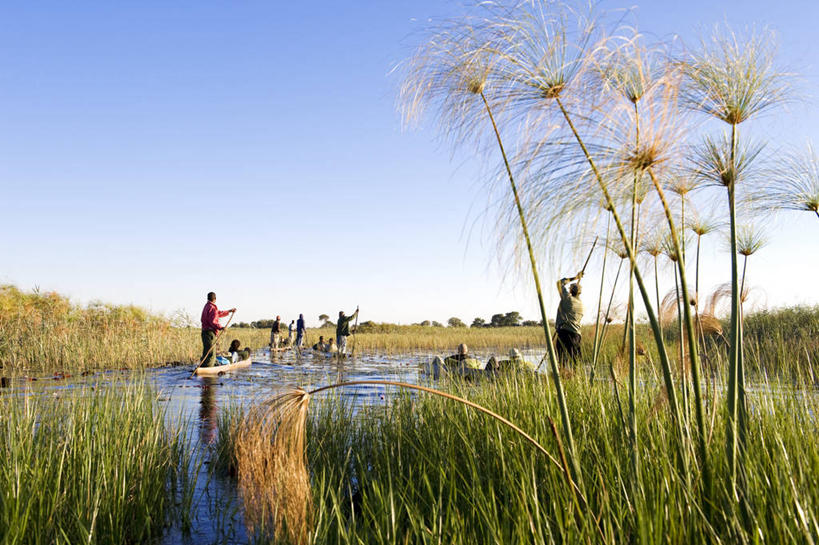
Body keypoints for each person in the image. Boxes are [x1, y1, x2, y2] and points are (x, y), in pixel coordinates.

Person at [555, 271, 584, 367]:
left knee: (562, 363)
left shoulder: (567, 299)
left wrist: (575, 277)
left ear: (570, 291)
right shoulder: (581, 304)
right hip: (577, 335)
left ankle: (562, 378)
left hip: (565, 334)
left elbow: (559, 283)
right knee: (576, 363)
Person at [200, 292, 235, 368]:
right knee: (211, 353)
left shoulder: (207, 306)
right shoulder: (212, 308)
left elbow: (218, 313)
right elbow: (213, 321)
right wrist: (221, 327)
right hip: (209, 333)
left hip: (204, 332)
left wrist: (229, 311)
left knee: (206, 351)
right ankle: (208, 369)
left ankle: (203, 367)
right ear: (215, 299)